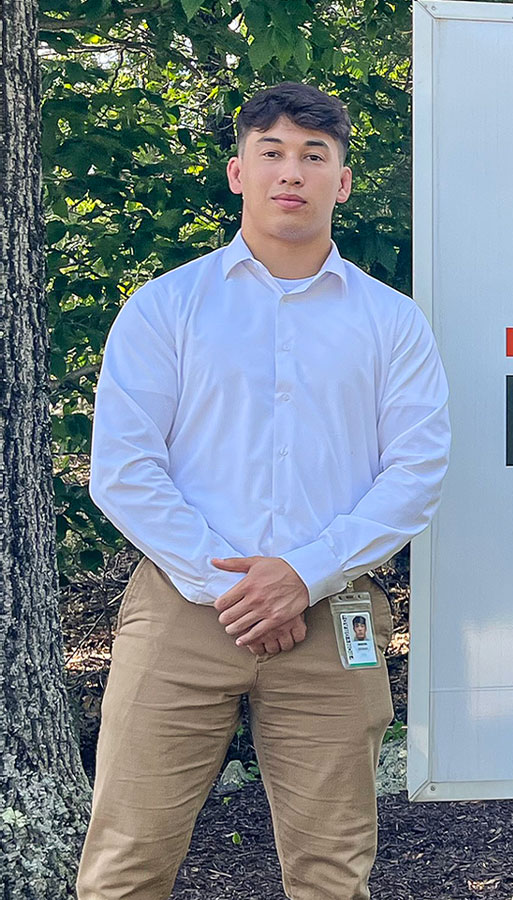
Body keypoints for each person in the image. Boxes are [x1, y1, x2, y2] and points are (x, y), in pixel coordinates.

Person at [76, 81, 451, 900]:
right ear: (238, 172)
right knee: (125, 866)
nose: (293, 172)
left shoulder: (391, 323)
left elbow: (415, 476)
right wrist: (235, 585)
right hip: (180, 612)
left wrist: (301, 576)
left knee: (331, 875)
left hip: (329, 616)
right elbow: (125, 469)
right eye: (271, 152)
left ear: (342, 181)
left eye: (314, 156)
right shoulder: (167, 308)